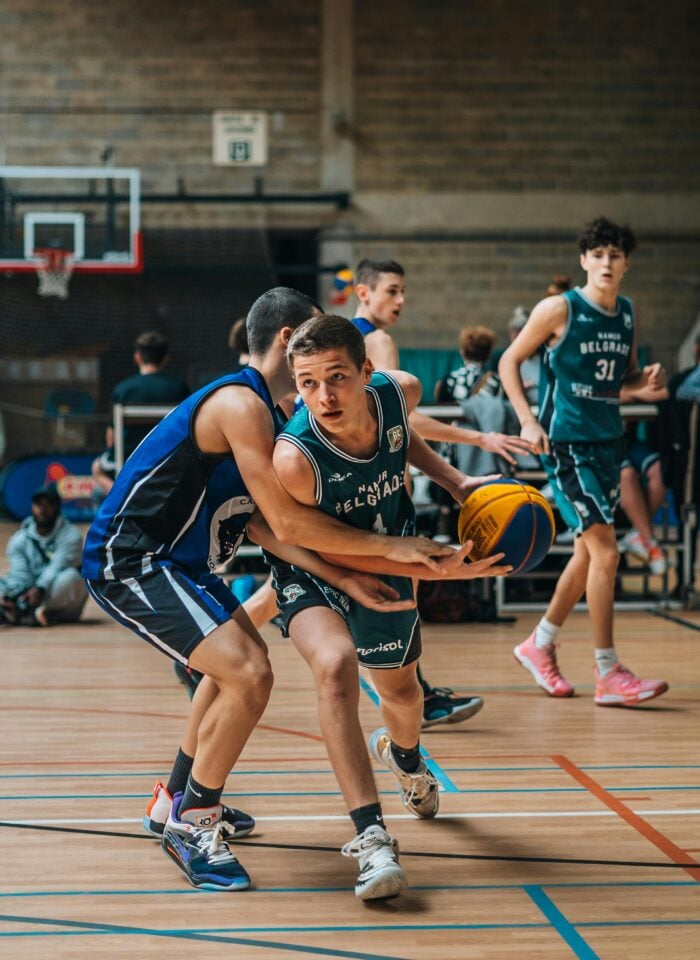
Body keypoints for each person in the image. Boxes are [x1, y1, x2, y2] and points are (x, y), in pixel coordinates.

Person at [82, 287, 456, 893]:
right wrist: (391, 549)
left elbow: (262, 522)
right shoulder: (240, 404)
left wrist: (344, 576)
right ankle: (193, 822)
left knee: (224, 673)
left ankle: (172, 800)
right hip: (134, 561)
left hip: (186, 564)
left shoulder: (278, 414)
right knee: (250, 673)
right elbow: (286, 524)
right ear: (290, 340)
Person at [251, 314, 509, 899]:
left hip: (391, 556)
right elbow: (304, 538)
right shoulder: (296, 457)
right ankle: (372, 840)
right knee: (337, 668)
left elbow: (400, 434)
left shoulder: (399, 393)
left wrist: (452, 482)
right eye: (309, 382)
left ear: (367, 372)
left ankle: (407, 759)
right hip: (313, 564)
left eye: (337, 377)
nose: (324, 395)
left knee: (401, 693)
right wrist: (433, 562)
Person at [353, 258, 534, 726]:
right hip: (380, 489)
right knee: (403, 593)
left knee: (300, 587)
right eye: (392, 290)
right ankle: (417, 697)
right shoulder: (376, 340)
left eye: (403, 291)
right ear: (363, 292)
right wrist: (478, 438)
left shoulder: (350, 339)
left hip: (359, 486)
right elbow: (403, 420)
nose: (400, 300)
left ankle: (415, 692)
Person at [499, 217, 669, 707]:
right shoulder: (559, 308)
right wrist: (527, 421)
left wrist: (645, 383)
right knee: (609, 554)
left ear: (626, 263)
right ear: (584, 260)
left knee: (587, 555)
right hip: (566, 444)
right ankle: (608, 670)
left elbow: (622, 379)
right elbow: (509, 361)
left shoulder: (627, 313)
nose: (606, 263)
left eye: (615, 255)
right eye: (598, 254)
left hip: (607, 442)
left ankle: (540, 644)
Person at [91, 331, 190, 498]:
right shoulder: (180, 388)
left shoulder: (123, 389)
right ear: (165, 358)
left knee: (96, 468)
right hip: (168, 462)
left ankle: (122, 498)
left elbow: (111, 440)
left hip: (130, 462)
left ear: (137, 357)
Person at [1, 485, 87, 627]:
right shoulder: (18, 540)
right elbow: (19, 573)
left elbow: (57, 566)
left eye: (48, 505)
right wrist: (13, 594)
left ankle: (21, 615)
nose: (42, 509)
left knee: (72, 577)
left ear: (58, 508)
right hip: (28, 594)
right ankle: (22, 612)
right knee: (4, 586)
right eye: (38, 505)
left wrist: (39, 589)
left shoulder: (72, 536)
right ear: (32, 507)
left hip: (58, 598)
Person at [434, 325, 496, 403]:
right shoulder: (498, 382)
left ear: (462, 352)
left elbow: (440, 410)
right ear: (489, 355)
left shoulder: (449, 380)